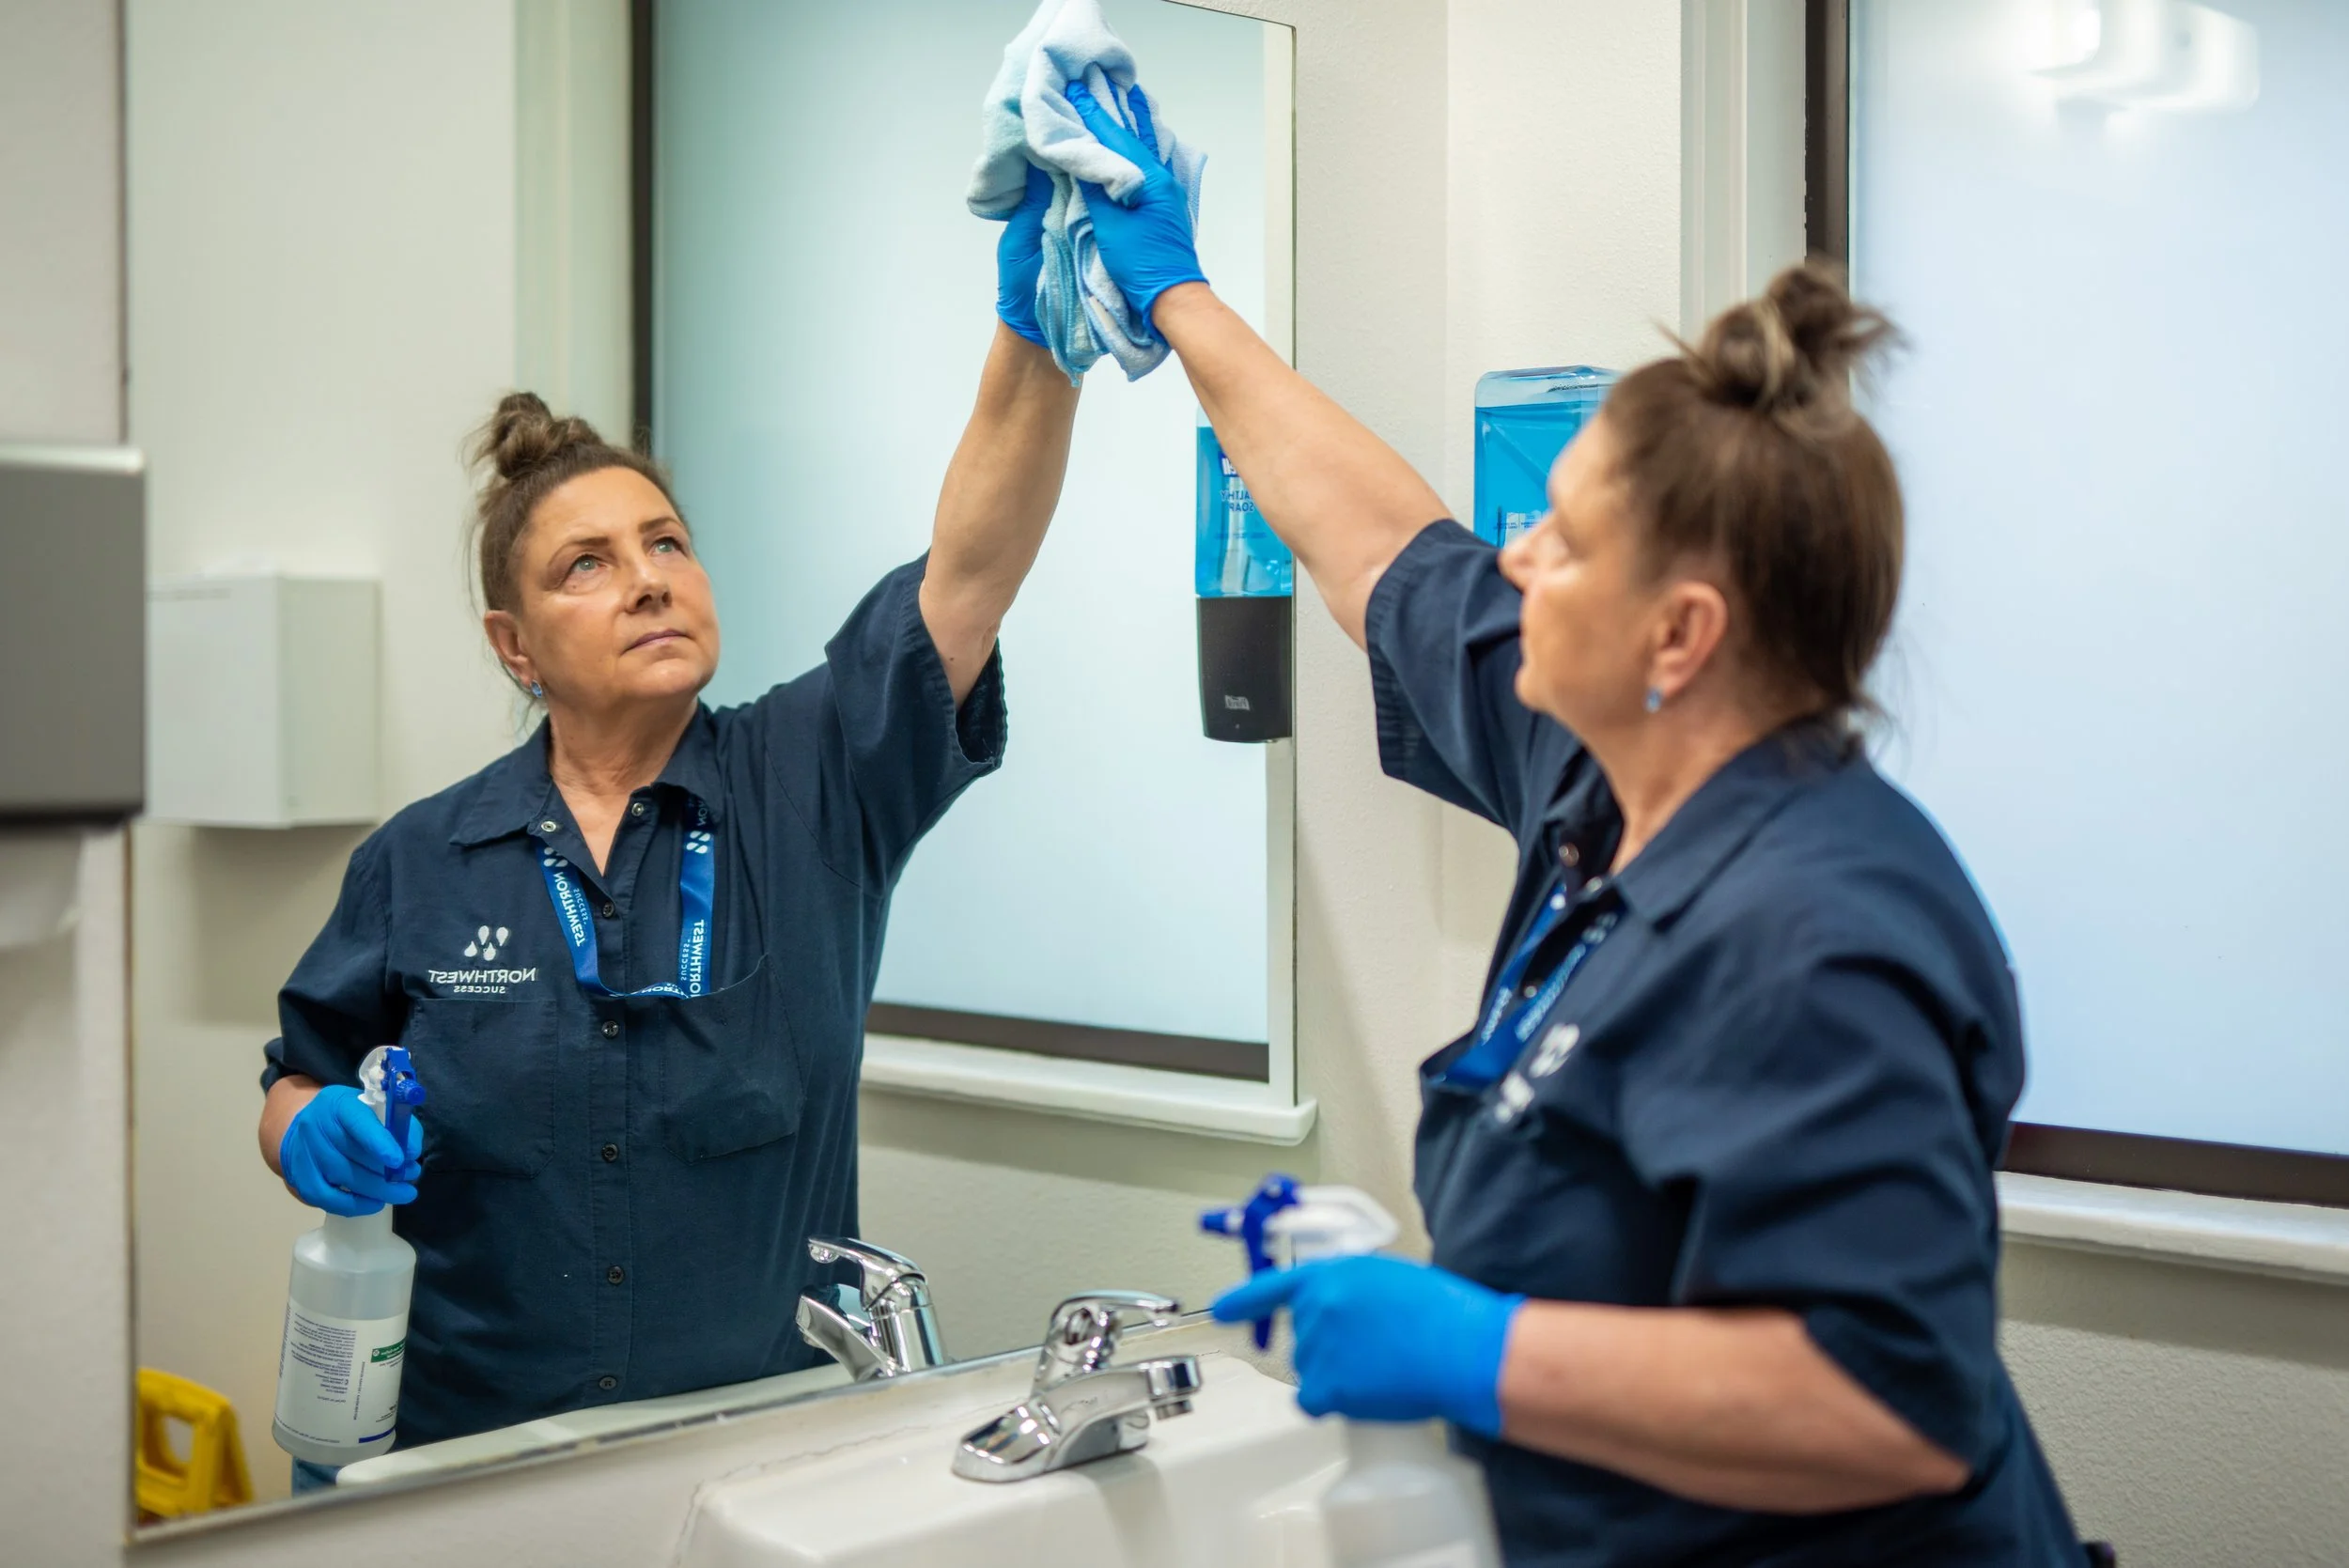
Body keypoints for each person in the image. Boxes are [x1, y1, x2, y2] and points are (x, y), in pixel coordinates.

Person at [1064, 83, 2092, 1567]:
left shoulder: (1822, 926)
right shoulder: (1606, 782)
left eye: (1563, 537)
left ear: (1679, 635)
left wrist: (1481, 1350)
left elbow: (1892, 1401)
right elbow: (1381, 551)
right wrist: (1177, 295)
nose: (1519, 556)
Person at [256, 167, 1078, 1491]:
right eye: (588, 563)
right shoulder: (419, 857)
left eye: (666, 543)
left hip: (758, 1468)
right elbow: (298, 1068)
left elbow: (971, 570)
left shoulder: (815, 777)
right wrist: (304, 1129)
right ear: (513, 647)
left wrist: (1037, 341)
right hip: (466, 1471)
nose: (645, 579)